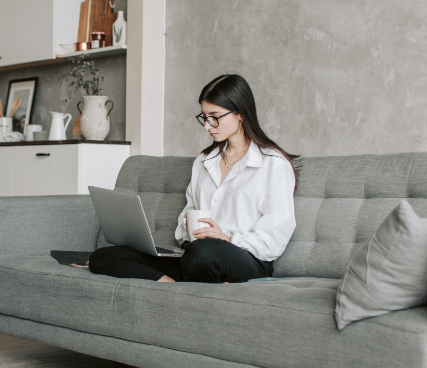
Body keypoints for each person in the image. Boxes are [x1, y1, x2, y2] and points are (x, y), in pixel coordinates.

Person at [89, 74, 298, 283]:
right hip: (197, 255)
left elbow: (276, 233)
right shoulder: (204, 161)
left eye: (215, 117)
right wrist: (189, 226)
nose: (207, 126)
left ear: (241, 113)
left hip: (246, 258)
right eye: (204, 117)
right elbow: (187, 215)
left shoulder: (273, 164)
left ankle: (190, 277)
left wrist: (227, 239)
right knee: (105, 256)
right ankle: (171, 284)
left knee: (203, 254)